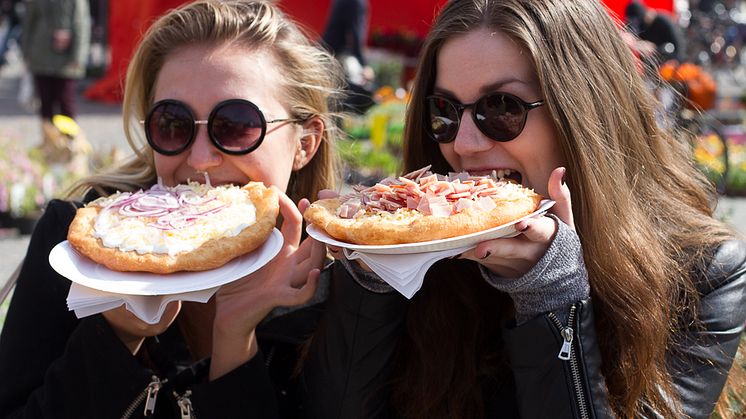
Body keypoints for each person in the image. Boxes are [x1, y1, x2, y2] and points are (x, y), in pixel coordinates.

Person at [300, 0, 746, 418]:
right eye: (445, 111)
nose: (463, 144)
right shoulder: (420, 251)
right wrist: (376, 277)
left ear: (585, 114)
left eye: (502, 108)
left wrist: (553, 295)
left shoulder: (704, 272)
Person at [0, 1, 345, 417]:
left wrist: (234, 338)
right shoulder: (79, 248)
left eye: (235, 125)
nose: (200, 159)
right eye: (173, 124)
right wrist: (116, 336)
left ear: (305, 144)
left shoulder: (340, 280)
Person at [20, 0, 90, 160]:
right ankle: (49, 143)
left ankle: (69, 144)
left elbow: (81, 22)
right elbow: (30, 21)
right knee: (45, 103)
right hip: (40, 54)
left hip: (66, 58)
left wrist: (78, 55)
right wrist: (26, 53)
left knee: (66, 104)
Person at [322, 0, 375, 114]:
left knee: (328, 103)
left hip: (326, 54)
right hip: (336, 59)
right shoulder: (357, 2)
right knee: (340, 104)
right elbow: (355, 34)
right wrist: (364, 64)